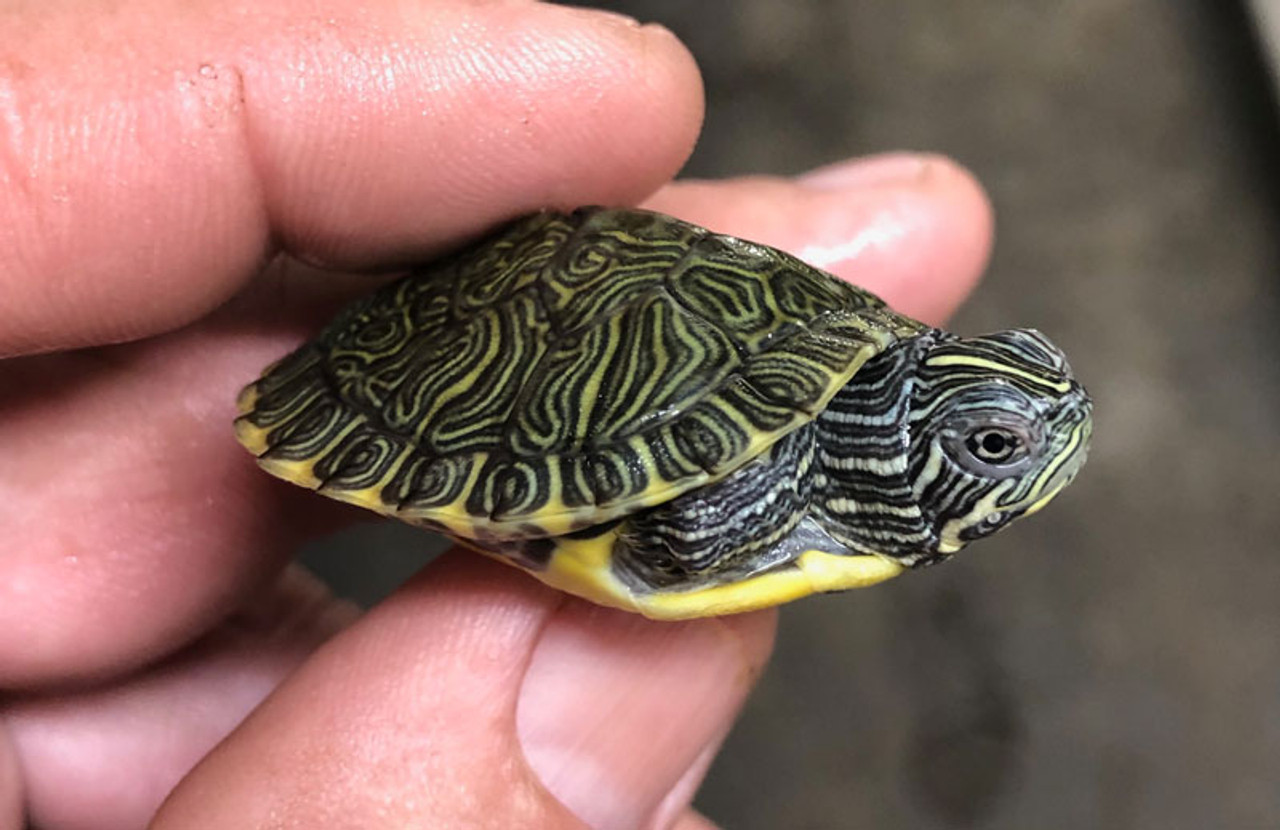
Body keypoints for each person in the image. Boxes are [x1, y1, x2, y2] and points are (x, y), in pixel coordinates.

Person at [0, 1, 993, 827]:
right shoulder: (744, 479)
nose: (1033, 441)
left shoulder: (825, 438)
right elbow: (675, 524)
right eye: (990, 446)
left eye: (997, 441)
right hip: (448, 365)